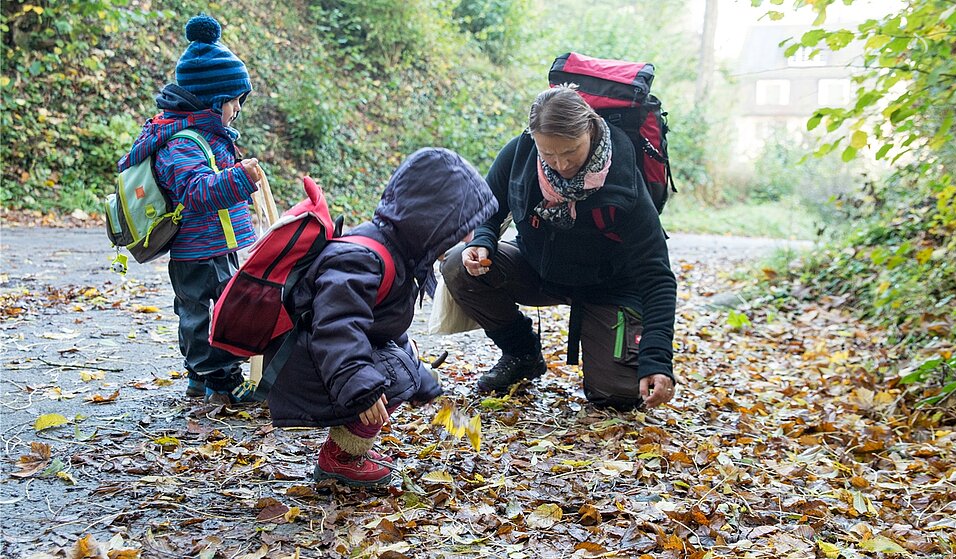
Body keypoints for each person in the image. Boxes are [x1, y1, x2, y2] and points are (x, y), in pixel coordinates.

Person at [267, 148, 497, 486]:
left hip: (322, 360)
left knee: (405, 362)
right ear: (432, 219)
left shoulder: (398, 252)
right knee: (393, 375)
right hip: (302, 364)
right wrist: (361, 387)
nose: (465, 238)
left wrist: (427, 385)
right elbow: (336, 328)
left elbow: (383, 329)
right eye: (459, 227)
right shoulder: (361, 258)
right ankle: (340, 457)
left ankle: (352, 444)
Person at [441, 85, 678, 411]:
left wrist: (657, 358)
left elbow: (657, 277)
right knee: (456, 264)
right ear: (533, 137)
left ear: (590, 130)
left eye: (570, 152)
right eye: (548, 153)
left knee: (619, 395)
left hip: (608, 287)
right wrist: (482, 242)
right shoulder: (521, 154)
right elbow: (488, 210)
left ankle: (612, 362)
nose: (561, 164)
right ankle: (522, 353)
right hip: (539, 269)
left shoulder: (624, 179)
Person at [118, 14, 261, 404]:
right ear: (214, 100)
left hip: (218, 243)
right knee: (200, 314)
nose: (237, 108)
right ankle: (218, 378)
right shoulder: (183, 141)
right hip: (196, 249)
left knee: (220, 308)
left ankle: (202, 377)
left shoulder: (208, 135)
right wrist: (241, 180)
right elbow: (196, 192)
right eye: (234, 100)